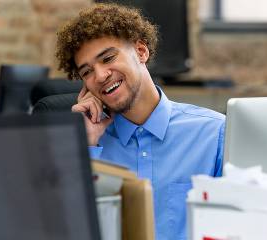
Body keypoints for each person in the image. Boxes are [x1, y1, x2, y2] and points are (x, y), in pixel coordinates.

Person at [55, 3, 225, 240]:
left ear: (141, 51)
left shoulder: (214, 133)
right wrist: (86, 147)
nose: (100, 75)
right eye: (87, 72)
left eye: (108, 58)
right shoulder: (86, 146)